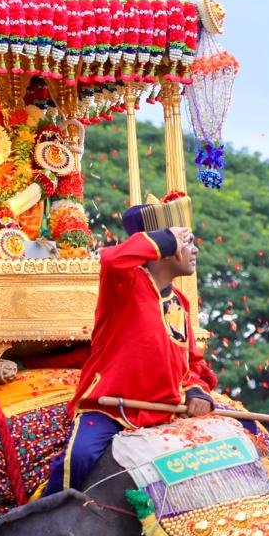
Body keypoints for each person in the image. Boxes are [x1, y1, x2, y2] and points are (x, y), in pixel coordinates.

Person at [45, 192, 216, 494]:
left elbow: (189, 364)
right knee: (80, 456)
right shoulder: (126, 283)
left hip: (165, 413)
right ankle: (43, 523)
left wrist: (195, 391)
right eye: (188, 242)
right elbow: (111, 259)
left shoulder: (180, 302)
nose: (195, 250)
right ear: (165, 249)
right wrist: (166, 238)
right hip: (110, 409)